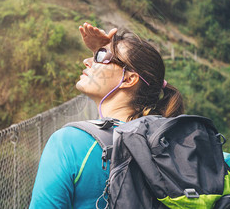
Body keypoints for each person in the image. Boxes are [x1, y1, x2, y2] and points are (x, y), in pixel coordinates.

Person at [29, 22, 185, 208]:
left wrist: (110, 54)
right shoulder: (179, 144)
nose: (87, 61)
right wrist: (106, 55)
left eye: (99, 56)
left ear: (128, 79)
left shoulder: (70, 142)